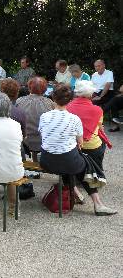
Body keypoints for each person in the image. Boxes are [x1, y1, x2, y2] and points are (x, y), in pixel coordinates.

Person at [40, 83, 117, 216]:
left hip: (46, 161)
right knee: (83, 162)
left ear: (53, 97)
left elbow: (44, 136)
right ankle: (98, 204)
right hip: (67, 160)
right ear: (70, 100)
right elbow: (80, 143)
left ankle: (75, 192)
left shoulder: (44, 116)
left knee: (69, 158)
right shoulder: (74, 119)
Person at [16, 77, 54, 161]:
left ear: (29, 88)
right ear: (45, 89)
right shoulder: (50, 103)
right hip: (41, 141)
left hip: (24, 141)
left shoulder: (19, 101)